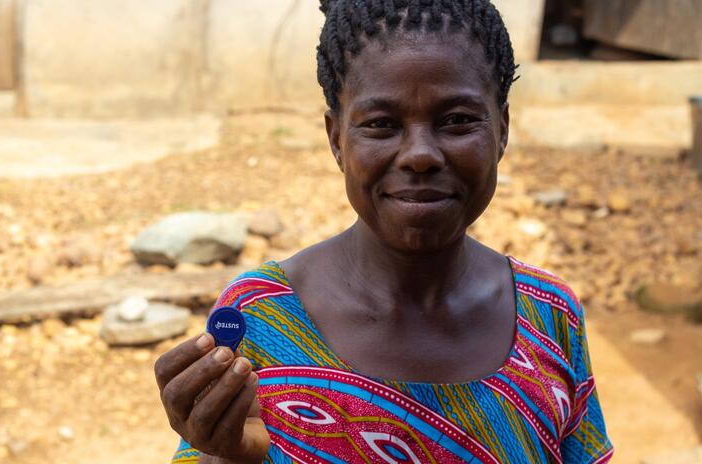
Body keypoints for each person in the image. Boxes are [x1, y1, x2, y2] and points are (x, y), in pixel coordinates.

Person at [155, 0, 613, 462]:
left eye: (456, 120)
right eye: (380, 125)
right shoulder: (261, 319)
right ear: (336, 140)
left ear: (503, 129)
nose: (420, 154)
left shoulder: (549, 317)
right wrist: (225, 455)